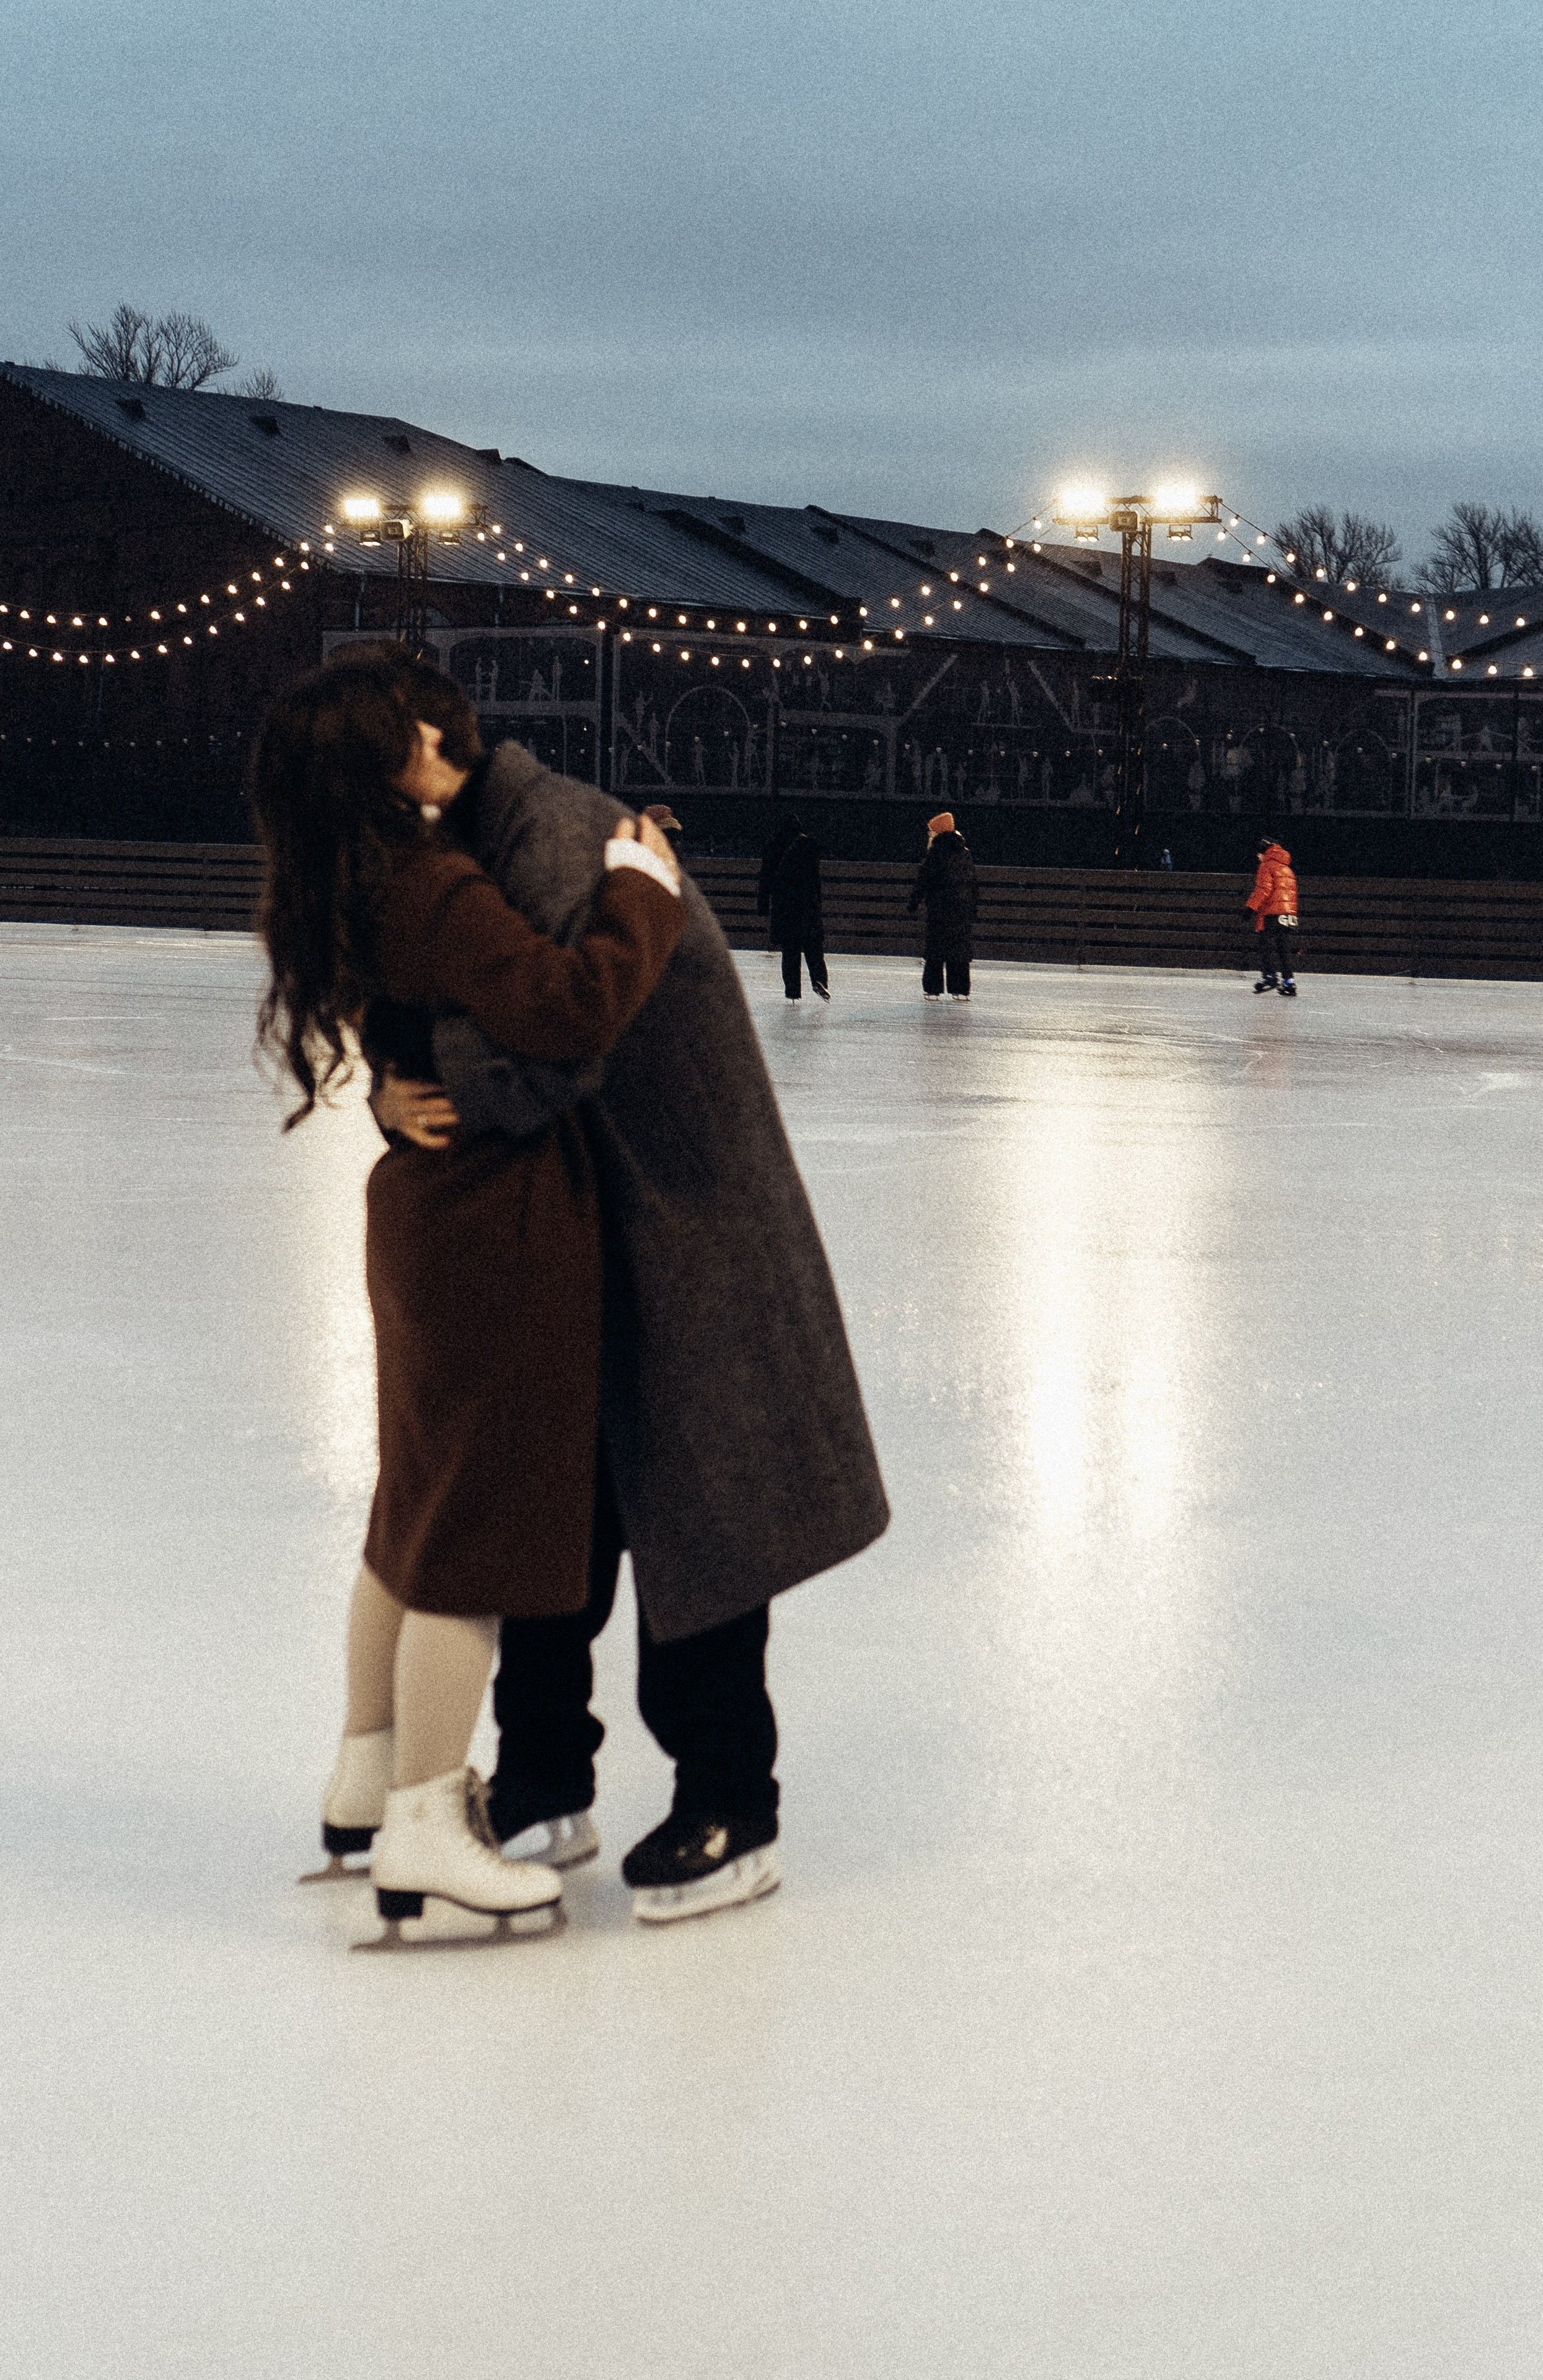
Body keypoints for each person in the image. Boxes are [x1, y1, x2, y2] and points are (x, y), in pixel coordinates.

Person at [363, 656, 890, 1923]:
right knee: (554, 1514)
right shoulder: (475, 843)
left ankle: (732, 1801)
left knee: (699, 1519)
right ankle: (547, 1780)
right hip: (581, 1220)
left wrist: (421, 1080)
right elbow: (444, 997)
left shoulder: (554, 841)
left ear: (434, 741)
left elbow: (560, 1038)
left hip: (686, 1218)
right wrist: (395, 1087)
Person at [251, 650, 685, 1941]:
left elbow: (402, 1025)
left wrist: (393, 1083)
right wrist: (641, 889)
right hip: (493, 1228)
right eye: (432, 731)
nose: (455, 742)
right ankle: (429, 1820)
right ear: (404, 758)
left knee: (413, 1505)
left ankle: (368, 1763)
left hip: (421, 1224)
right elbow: (569, 1005)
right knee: (472, 1537)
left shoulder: (351, 880)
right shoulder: (434, 883)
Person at [757, 813, 829, 1000]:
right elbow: (815, 880)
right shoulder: (808, 847)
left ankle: (792, 990)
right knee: (813, 947)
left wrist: (763, 904)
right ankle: (819, 980)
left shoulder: (774, 847)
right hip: (807, 905)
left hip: (785, 906)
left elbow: (765, 877)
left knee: (790, 951)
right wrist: (817, 903)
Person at [908, 811, 977, 1000]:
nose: (929, 836)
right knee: (959, 950)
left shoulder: (935, 854)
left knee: (935, 950)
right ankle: (960, 990)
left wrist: (913, 902)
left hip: (939, 910)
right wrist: (973, 909)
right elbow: (973, 884)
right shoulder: (965, 854)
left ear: (938, 833)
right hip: (961, 910)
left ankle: (933, 989)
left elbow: (923, 880)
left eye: (931, 832)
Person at [1247, 835, 1299, 995]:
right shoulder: (1287, 868)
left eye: (1259, 854)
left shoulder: (1267, 867)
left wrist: (1250, 908)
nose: (1258, 857)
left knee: (1265, 945)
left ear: (1264, 852)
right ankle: (1289, 981)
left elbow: (1264, 890)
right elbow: (1291, 894)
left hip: (1271, 913)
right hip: (1287, 913)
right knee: (1283, 947)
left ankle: (1270, 976)